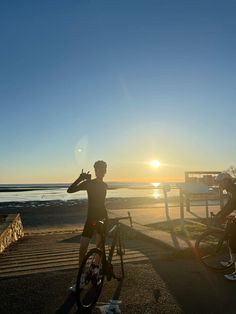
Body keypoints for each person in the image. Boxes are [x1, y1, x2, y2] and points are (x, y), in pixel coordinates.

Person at [67, 160, 108, 290]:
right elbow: (70, 190)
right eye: (97, 169)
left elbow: (101, 204)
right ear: (95, 170)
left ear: (105, 171)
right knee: (82, 250)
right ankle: (81, 279)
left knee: (99, 248)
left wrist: (107, 219)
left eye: (102, 170)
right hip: (90, 220)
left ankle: (95, 271)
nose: (99, 172)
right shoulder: (89, 183)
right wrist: (80, 178)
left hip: (102, 219)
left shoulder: (104, 185)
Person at [215, 172, 236, 280]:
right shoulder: (230, 189)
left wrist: (220, 217)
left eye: (220, 182)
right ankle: (232, 262)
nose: (219, 184)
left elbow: (231, 206)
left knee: (234, 241)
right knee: (231, 238)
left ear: (226, 181)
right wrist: (219, 215)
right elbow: (229, 205)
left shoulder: (234, 189)